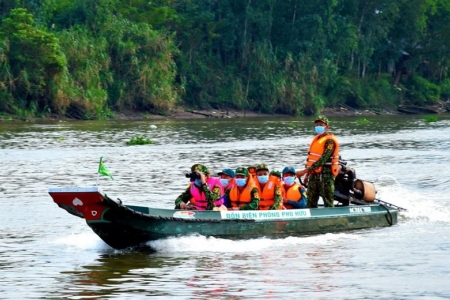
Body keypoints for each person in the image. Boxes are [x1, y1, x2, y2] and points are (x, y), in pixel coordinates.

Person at [296, 115, 340, 208]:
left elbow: (322, 160)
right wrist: (307, 175)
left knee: (328, 201)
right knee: (310, 200)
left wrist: (304, 172)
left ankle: (331, 220)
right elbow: (313, 160)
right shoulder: (317, 139)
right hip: (314, 174)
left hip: (326, 175)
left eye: (321, 124)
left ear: (327, 126)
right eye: (316, 125)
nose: (318, 126)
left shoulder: (330, 141)